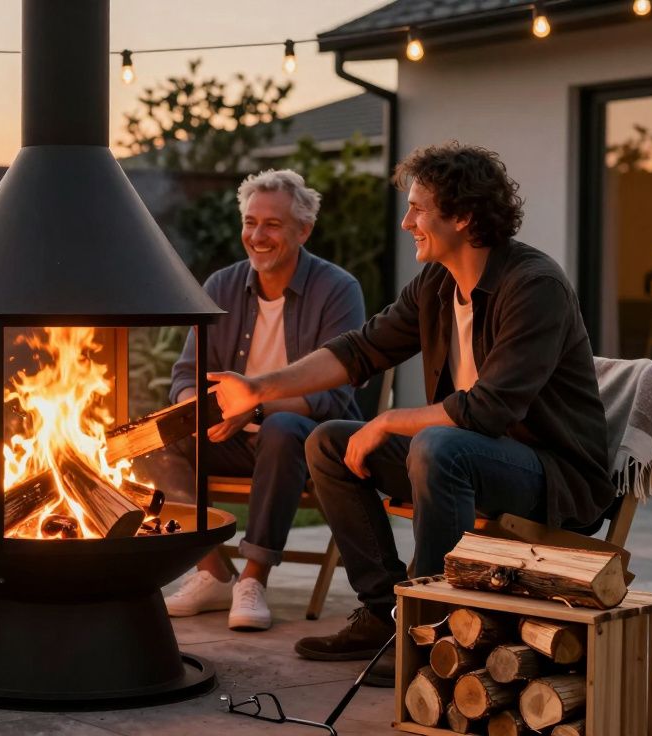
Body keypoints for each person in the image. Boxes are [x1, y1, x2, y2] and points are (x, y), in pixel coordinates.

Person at [210, 143, 611, 681]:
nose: (407, 222)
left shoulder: (534, 285)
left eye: (418, 209)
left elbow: (488, 411)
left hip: (551, 475)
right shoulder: (437, 285)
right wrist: (258, 388)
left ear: (463, 217)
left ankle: (430, 629)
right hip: (469, 455)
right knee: (327, 441)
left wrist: (389, 421)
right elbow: (358, 351)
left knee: (435, 444)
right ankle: (385, 614)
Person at [152, 169, 365, 632]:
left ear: (303, 230)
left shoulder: (338, 289)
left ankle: (253, 578)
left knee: (280, 428)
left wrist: (258, 407)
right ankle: (212, 571)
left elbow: (333, 396)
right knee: (153, 440)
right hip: (227, 434)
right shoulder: (221, 287)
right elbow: (185, 375)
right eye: (250, 222)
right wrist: (193, 411)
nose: (257, 235)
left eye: (272, 224)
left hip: (306, 441)